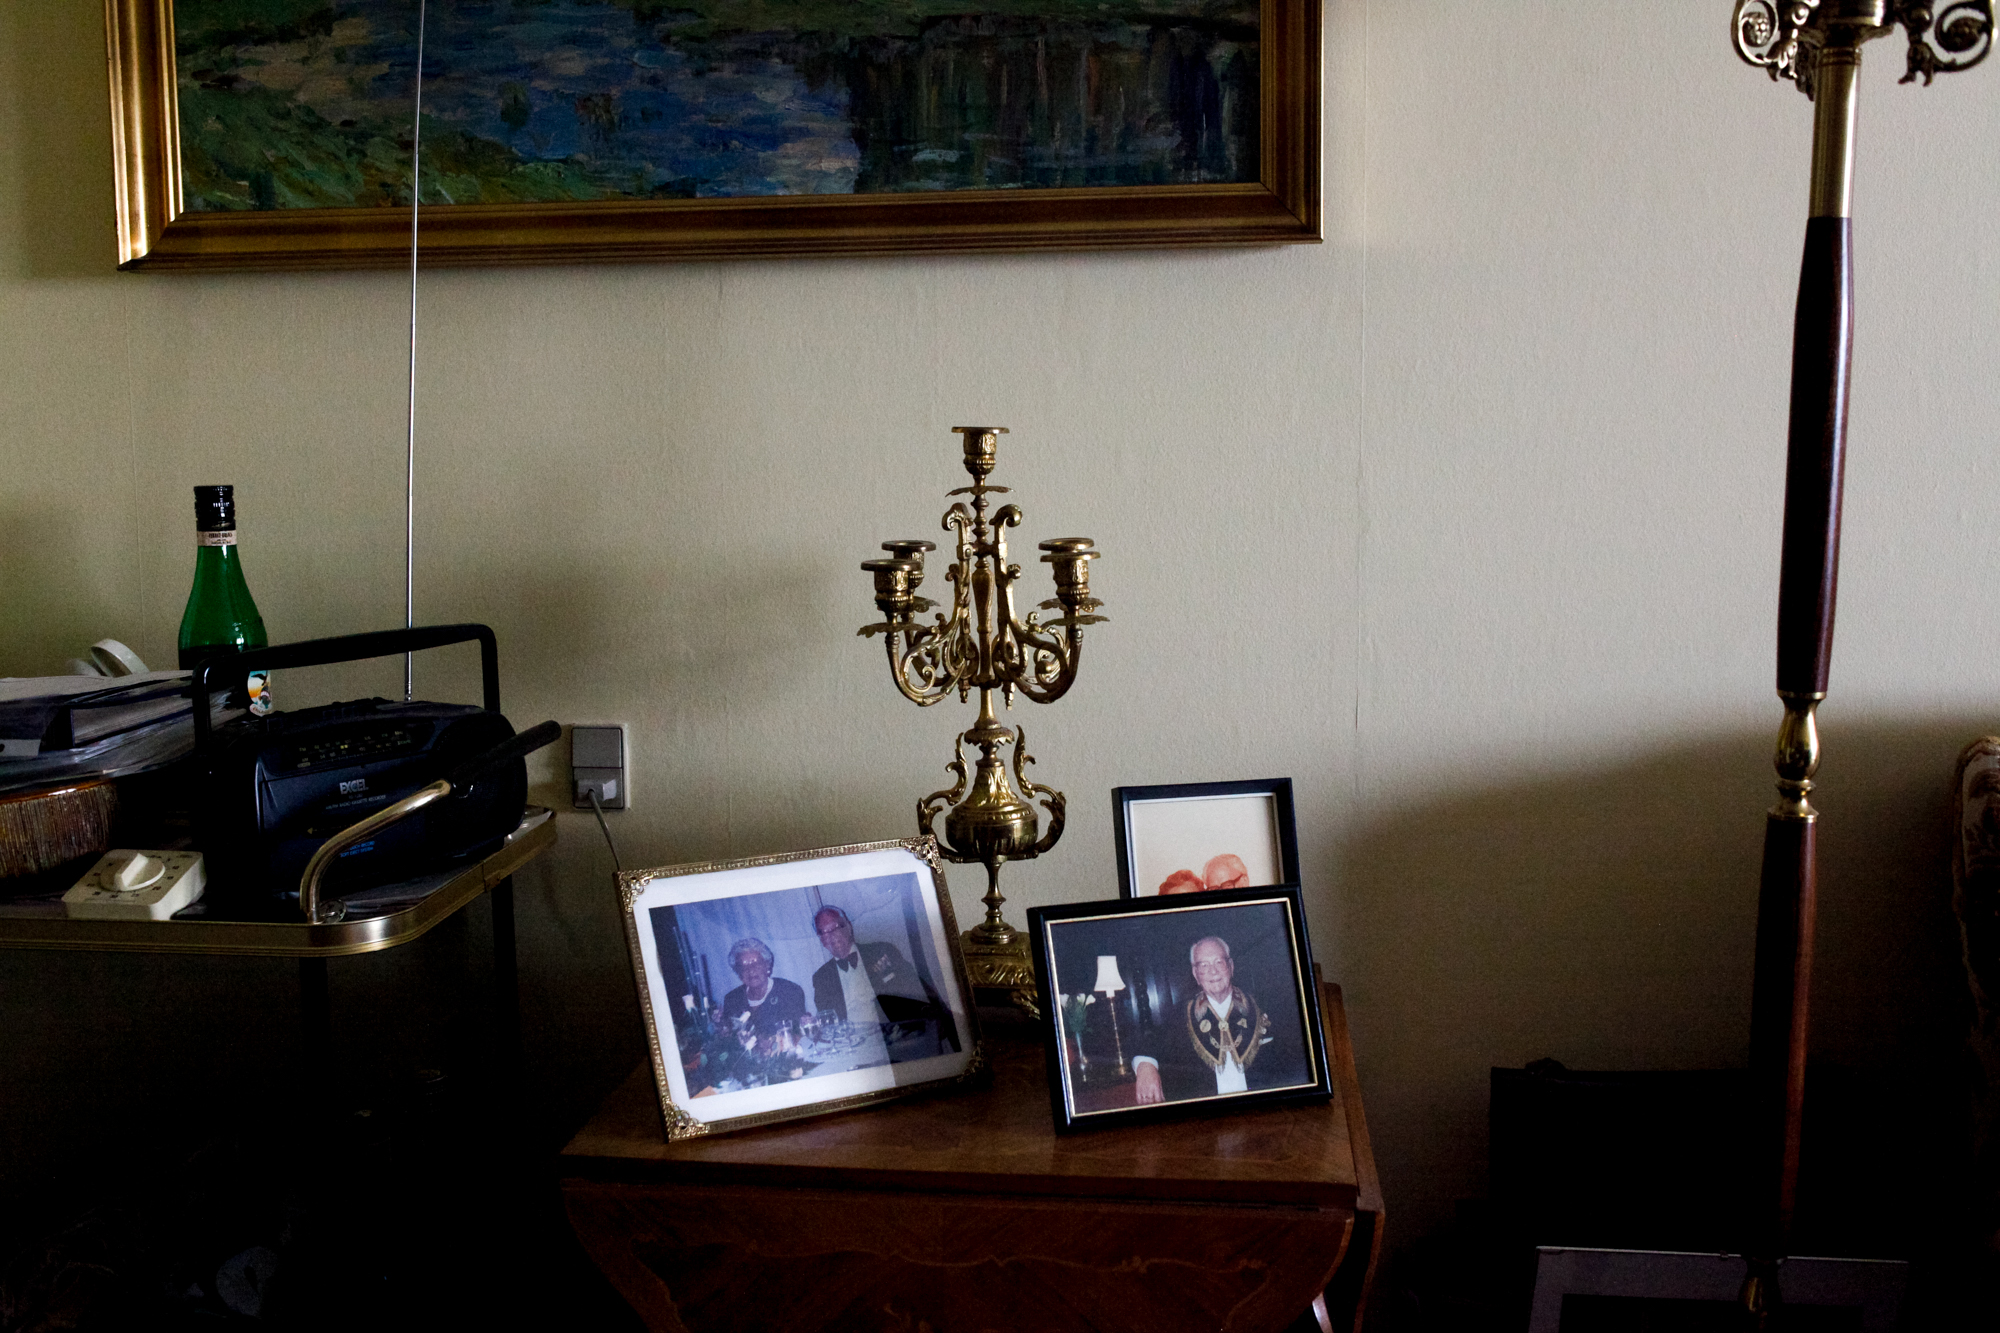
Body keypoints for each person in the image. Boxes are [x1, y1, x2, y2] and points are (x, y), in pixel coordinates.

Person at [1132, 935, 1305, 1104]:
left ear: (1231, 966)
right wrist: (1145, 1065)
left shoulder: (1263, 1005)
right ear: (1195, 974)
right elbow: (1149, 1041)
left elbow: (1296, 1053)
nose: (1213, 971)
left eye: (1219, 962)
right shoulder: (1180, 1015)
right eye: (1204, 965)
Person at [810, 904, 953, 1059]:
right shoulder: (821, 977)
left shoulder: (881, 951)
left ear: (848, 927)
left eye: (836, 927)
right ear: (821, 940)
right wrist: (814, 1027)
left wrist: (930, 1011)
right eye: (824, 932)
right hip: (853, 1049)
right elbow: (826, 1021)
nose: (831, 935)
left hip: (896, 1038)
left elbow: (915, 985)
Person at [718, 937, 807, 1047]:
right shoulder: (732, 999)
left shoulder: (789, 991)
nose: (751, 970)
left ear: (767, 965)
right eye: (743, 966)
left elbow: (797, 1034)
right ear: (738, 973)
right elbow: (730, 1041)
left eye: (756, 963)